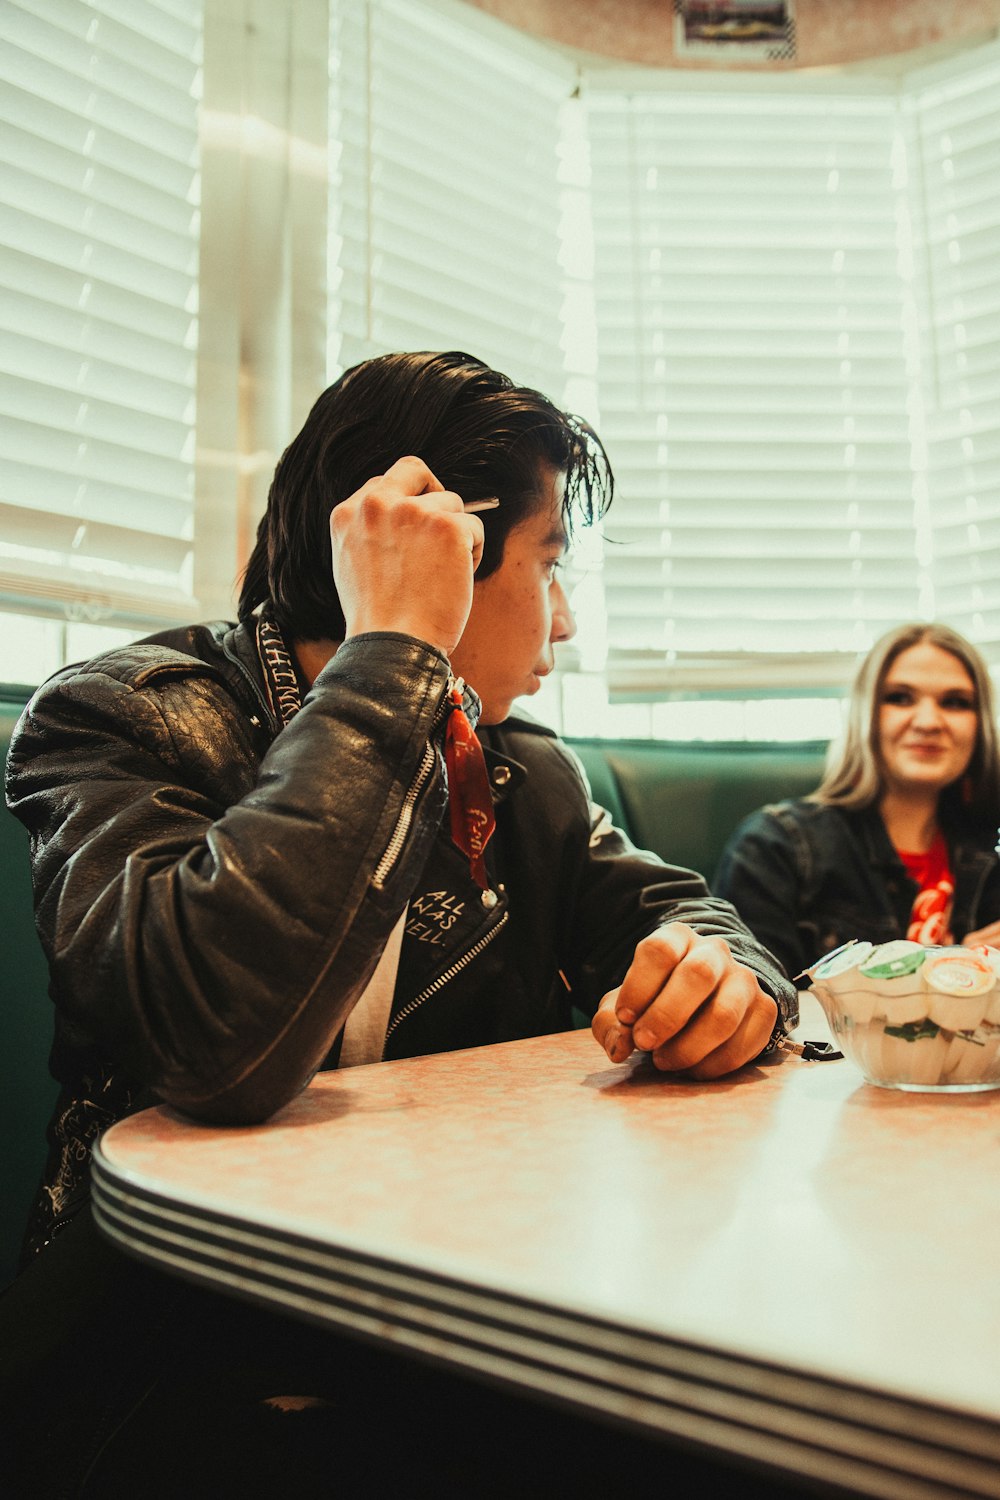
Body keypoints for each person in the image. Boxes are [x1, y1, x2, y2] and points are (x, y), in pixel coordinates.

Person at [3, 350, 796, 1493]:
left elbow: (689, 910)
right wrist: (396, 654)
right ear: (447, 552)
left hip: (465, 1326)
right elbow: (210, 1045)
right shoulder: (121, 720)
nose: (564, 624)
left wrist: (727, 976)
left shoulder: (525, 773)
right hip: (176, 1338)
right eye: (549, 567)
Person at [714, 622, 1000, 984]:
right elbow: (756, 1010)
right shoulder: (776, 847)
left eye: (955, 702)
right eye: (899, 697)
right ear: (864, 715)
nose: (929, 721)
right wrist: (958, 966)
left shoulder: (991, 849)